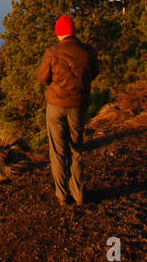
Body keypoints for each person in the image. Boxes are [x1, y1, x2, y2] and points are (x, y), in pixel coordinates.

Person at [36, 15, 99, 206]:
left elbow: (43, 78)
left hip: (56, 107)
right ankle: (79, 194)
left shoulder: (52, 52)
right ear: (74, 32)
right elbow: (94, 72)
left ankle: (62, 195)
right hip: (78, 106)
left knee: (57, 151)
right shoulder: (88, 51)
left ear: (59, 33)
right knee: (76, 149)